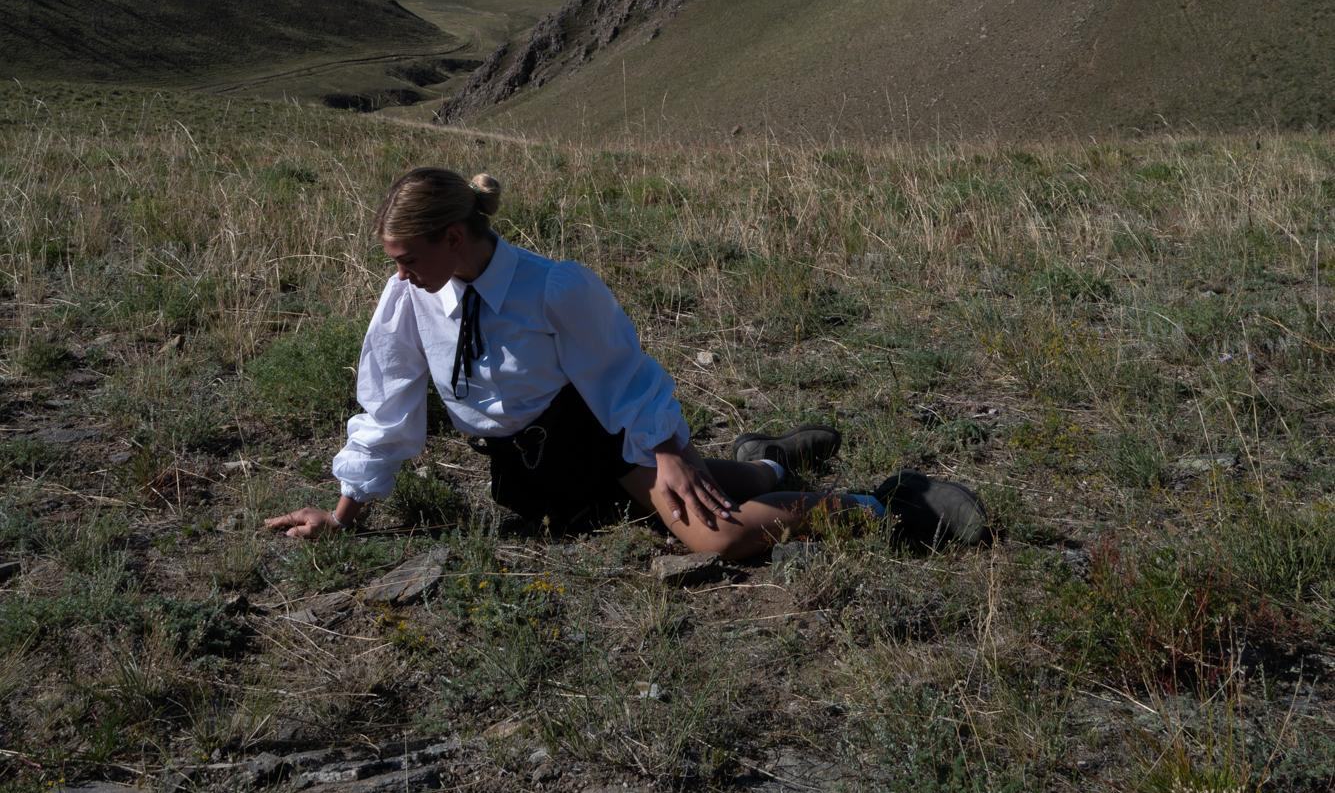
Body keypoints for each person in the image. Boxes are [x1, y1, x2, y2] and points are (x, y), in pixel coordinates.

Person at [266, 166, 986, 559]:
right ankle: (765, 463)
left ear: (453, 237)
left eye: (407, 258)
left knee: (721, 536)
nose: (397, 275)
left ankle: (881, 506)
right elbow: (386, 405)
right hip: (531, 471)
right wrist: (343, 514)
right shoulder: (407, 297)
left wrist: (667, 451)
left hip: (601, 440)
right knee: (694, 498)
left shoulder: (554, 287)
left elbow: (625, 376)